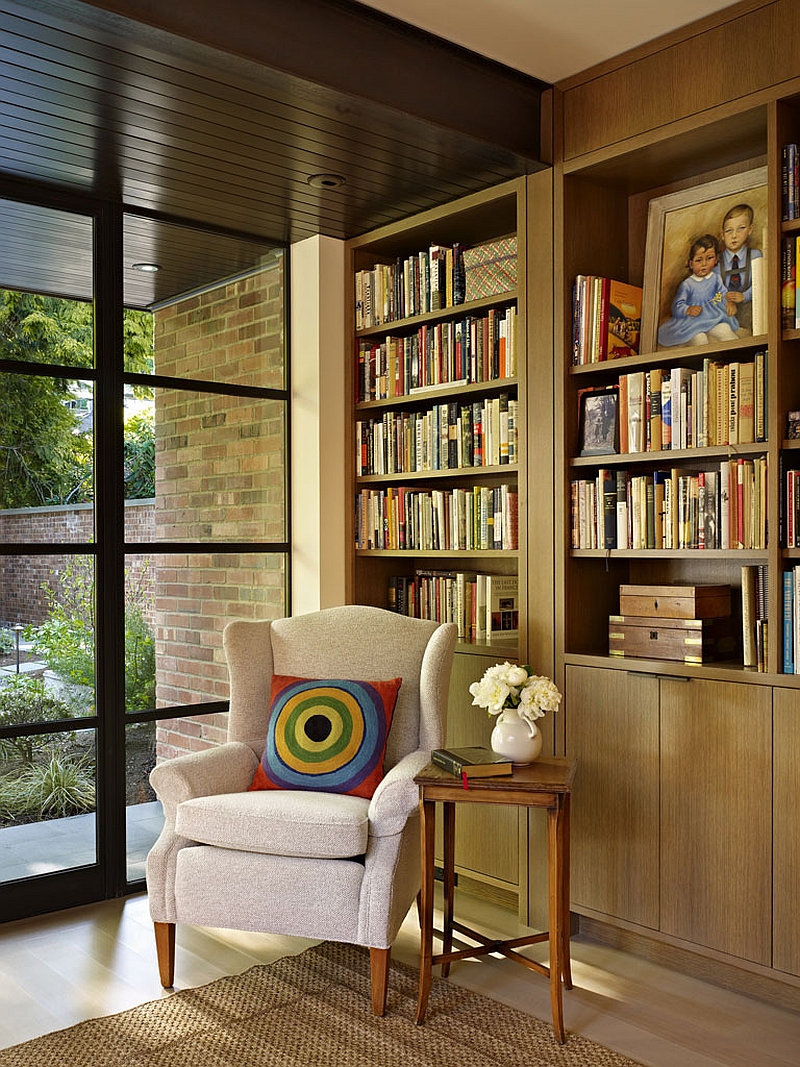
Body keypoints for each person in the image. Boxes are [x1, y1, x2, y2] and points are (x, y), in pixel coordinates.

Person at [657, 234, 739, 347]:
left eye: (709, 258)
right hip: (692, 323)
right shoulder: (687, 284)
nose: (704, 264)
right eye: (698, 260)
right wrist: (688, 309)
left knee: (725, 329)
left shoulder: (716, 278)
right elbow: (677, 306)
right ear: (691, 264)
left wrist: (729, 303)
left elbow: (723, 294)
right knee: (700, 339)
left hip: (713, 318)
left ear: (716, 259)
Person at [717, 202, 762, 333]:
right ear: (722, 234)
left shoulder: (755, 255)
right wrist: (727, 300)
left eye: (741, 228)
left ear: (750, 230)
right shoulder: (716, 261)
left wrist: (745, 296)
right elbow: (713, 285)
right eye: (729, 230)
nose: (734, 235)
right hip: (725, 308)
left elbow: (760, 283)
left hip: (748, 308)